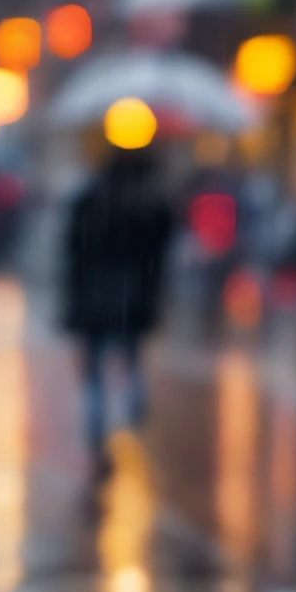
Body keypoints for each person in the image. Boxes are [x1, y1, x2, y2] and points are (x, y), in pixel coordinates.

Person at [60, 145, 174, 464]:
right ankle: (131, 409)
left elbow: (72, 254)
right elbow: (160, 250)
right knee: (130, 358)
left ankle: (97, 435)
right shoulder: (148, 204)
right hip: (131, 297)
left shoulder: (88, 202)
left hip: (93, 298)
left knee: (94, 371)